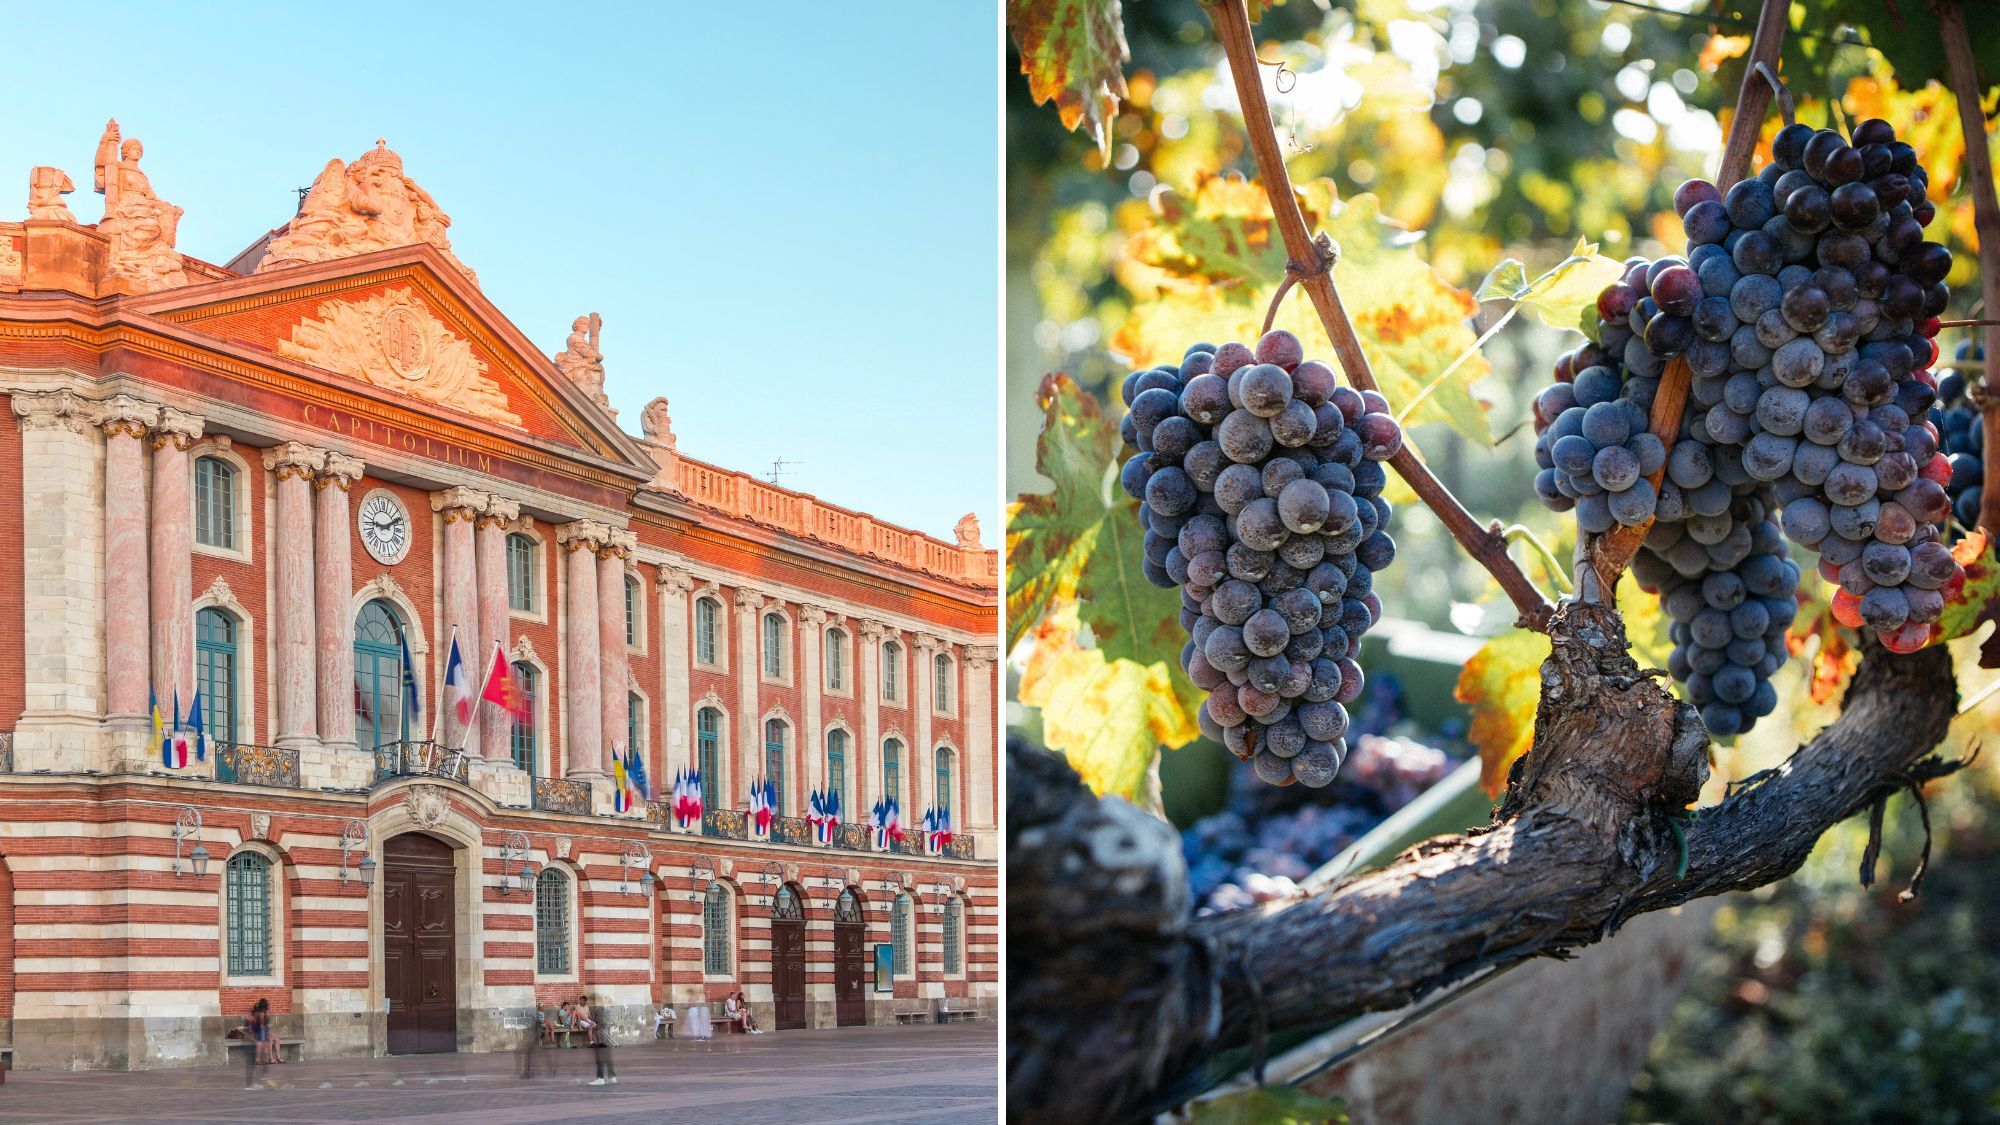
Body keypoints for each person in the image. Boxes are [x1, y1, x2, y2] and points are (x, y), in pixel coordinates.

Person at [583, 995, 617, 1086]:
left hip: (601, 1039)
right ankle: (612, 1076)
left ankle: (600, 1078)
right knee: (607, 1058)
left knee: (599, 1058)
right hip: (607, 1038)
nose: (588, 1003)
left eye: (590, 1001)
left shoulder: (598, 1010)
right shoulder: (606, 1009)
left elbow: (599, 1025)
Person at [244, 998, 277, 1089]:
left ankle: (254, 1082)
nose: (265, 1014)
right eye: (265, 1012)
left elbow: (264, 1034)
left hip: (255, 1042)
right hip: (252, 1042)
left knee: (258, 1063)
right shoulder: (255, 1018)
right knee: (252, 1063)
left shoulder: (261, 1018)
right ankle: (250, 1084)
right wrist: (257, 1042)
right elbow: (250, 1033)